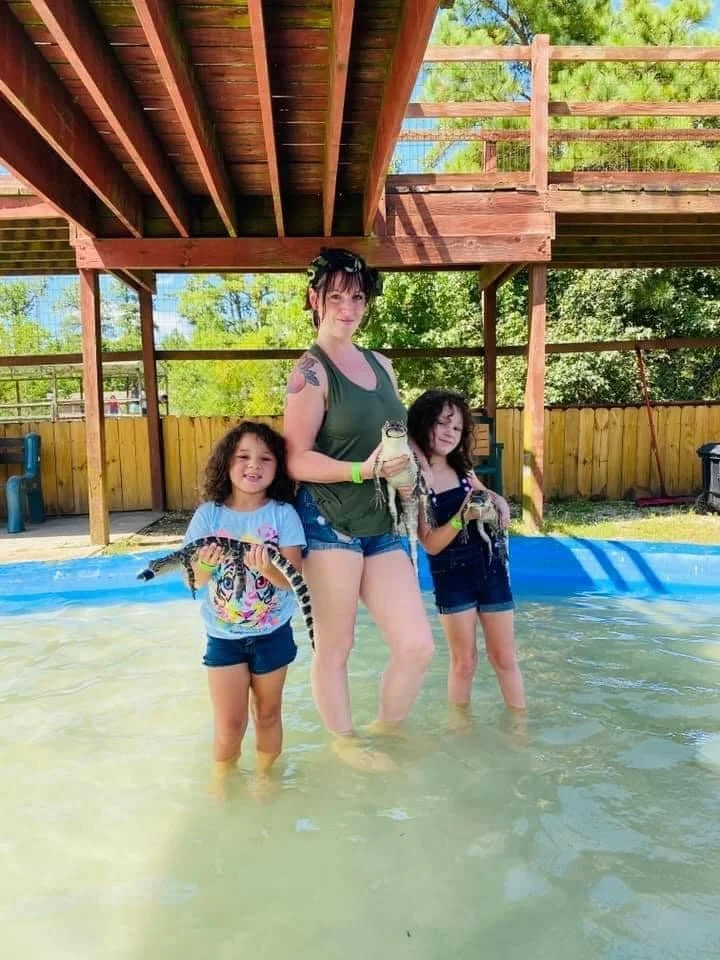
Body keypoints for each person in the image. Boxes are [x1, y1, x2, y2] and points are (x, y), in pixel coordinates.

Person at [283, 248, 434, 772]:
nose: (348, 306)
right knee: (337, 646)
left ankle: (384, 730)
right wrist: (362, 471)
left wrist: (415, 474)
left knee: (417, 647)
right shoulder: (309, 372)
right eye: (336, 296)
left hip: (384, 524)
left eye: (357, 296)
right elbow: (296, 459)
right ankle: (345, 743)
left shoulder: (382, 364)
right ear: (315, 299)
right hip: (330, 526)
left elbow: (395, 437)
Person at [183, 420, 306, 793]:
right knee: (229, 723)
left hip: (273, 633)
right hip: (223, 637)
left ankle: (266, 778)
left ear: (278, 467)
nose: (254, 465)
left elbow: (295, 580)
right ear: (226, 463)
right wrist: (202, 566)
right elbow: (192, 580)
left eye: (265, 458)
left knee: (268, 715)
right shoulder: (209, 515)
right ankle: (223, 780)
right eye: (243, 456)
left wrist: (269, 569)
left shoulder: (283, 514)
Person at [407, 390, 525, 727]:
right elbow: (430, 543)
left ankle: (520, 728)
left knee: (504, 657)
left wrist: (498, 501)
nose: (448, 432)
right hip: (452, 577)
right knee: (465, 662)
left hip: (491, 568)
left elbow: (486, 495)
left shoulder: (463, 469)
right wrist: (461, 517)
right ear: (422, 424)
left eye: (456, 428)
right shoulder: (417, 482)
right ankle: (461, 731)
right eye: (441, 423)